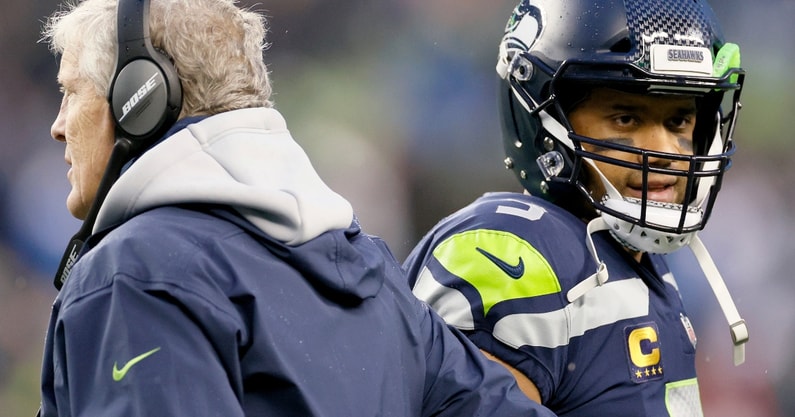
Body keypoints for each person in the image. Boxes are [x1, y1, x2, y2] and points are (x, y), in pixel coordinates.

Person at [37, 0, 560, 416]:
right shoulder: (366, 265)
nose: (59, 124)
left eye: (70, 92)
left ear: (140, 97)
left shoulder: (134, 275)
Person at [403, 0, 750, 416]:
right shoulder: (516, 257)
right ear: (546, 124)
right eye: (626, 119)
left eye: (678, 122)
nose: (664, 152)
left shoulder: (631, 255)